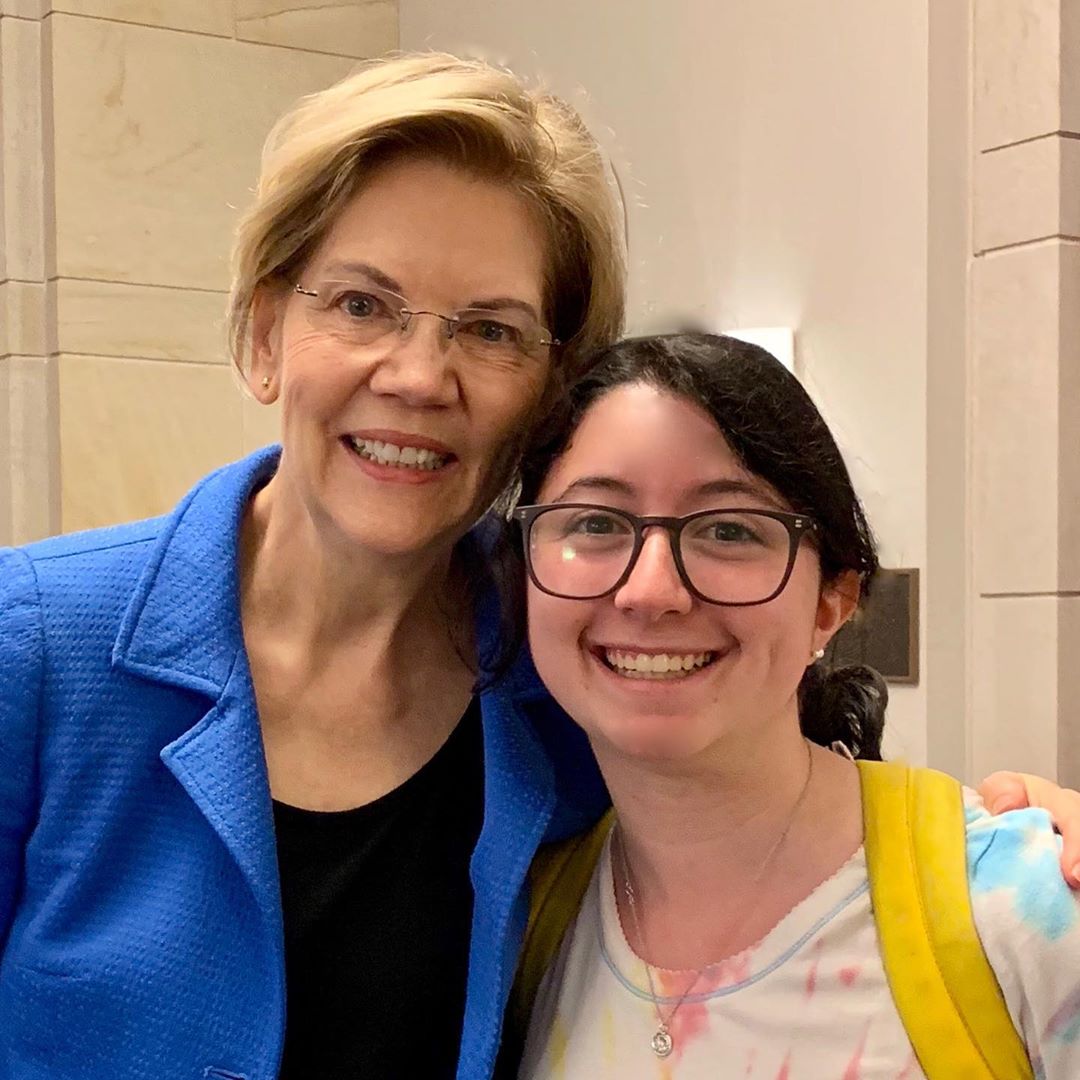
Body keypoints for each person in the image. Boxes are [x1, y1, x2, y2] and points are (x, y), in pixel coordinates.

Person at [0, 52, 1071, 1080]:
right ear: (270, 328)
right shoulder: (40, 651)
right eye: (362, 304)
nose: (419, 376)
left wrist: (1019, 838)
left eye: (491, 331)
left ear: (553, 386)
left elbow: (778, 807)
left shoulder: (567, 684)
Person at [507, 332, 1080, 1078]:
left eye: (728, 530)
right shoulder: (519, 924)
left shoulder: (1025, 912)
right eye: (593, 523)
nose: (650, 590)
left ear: (833, 602)